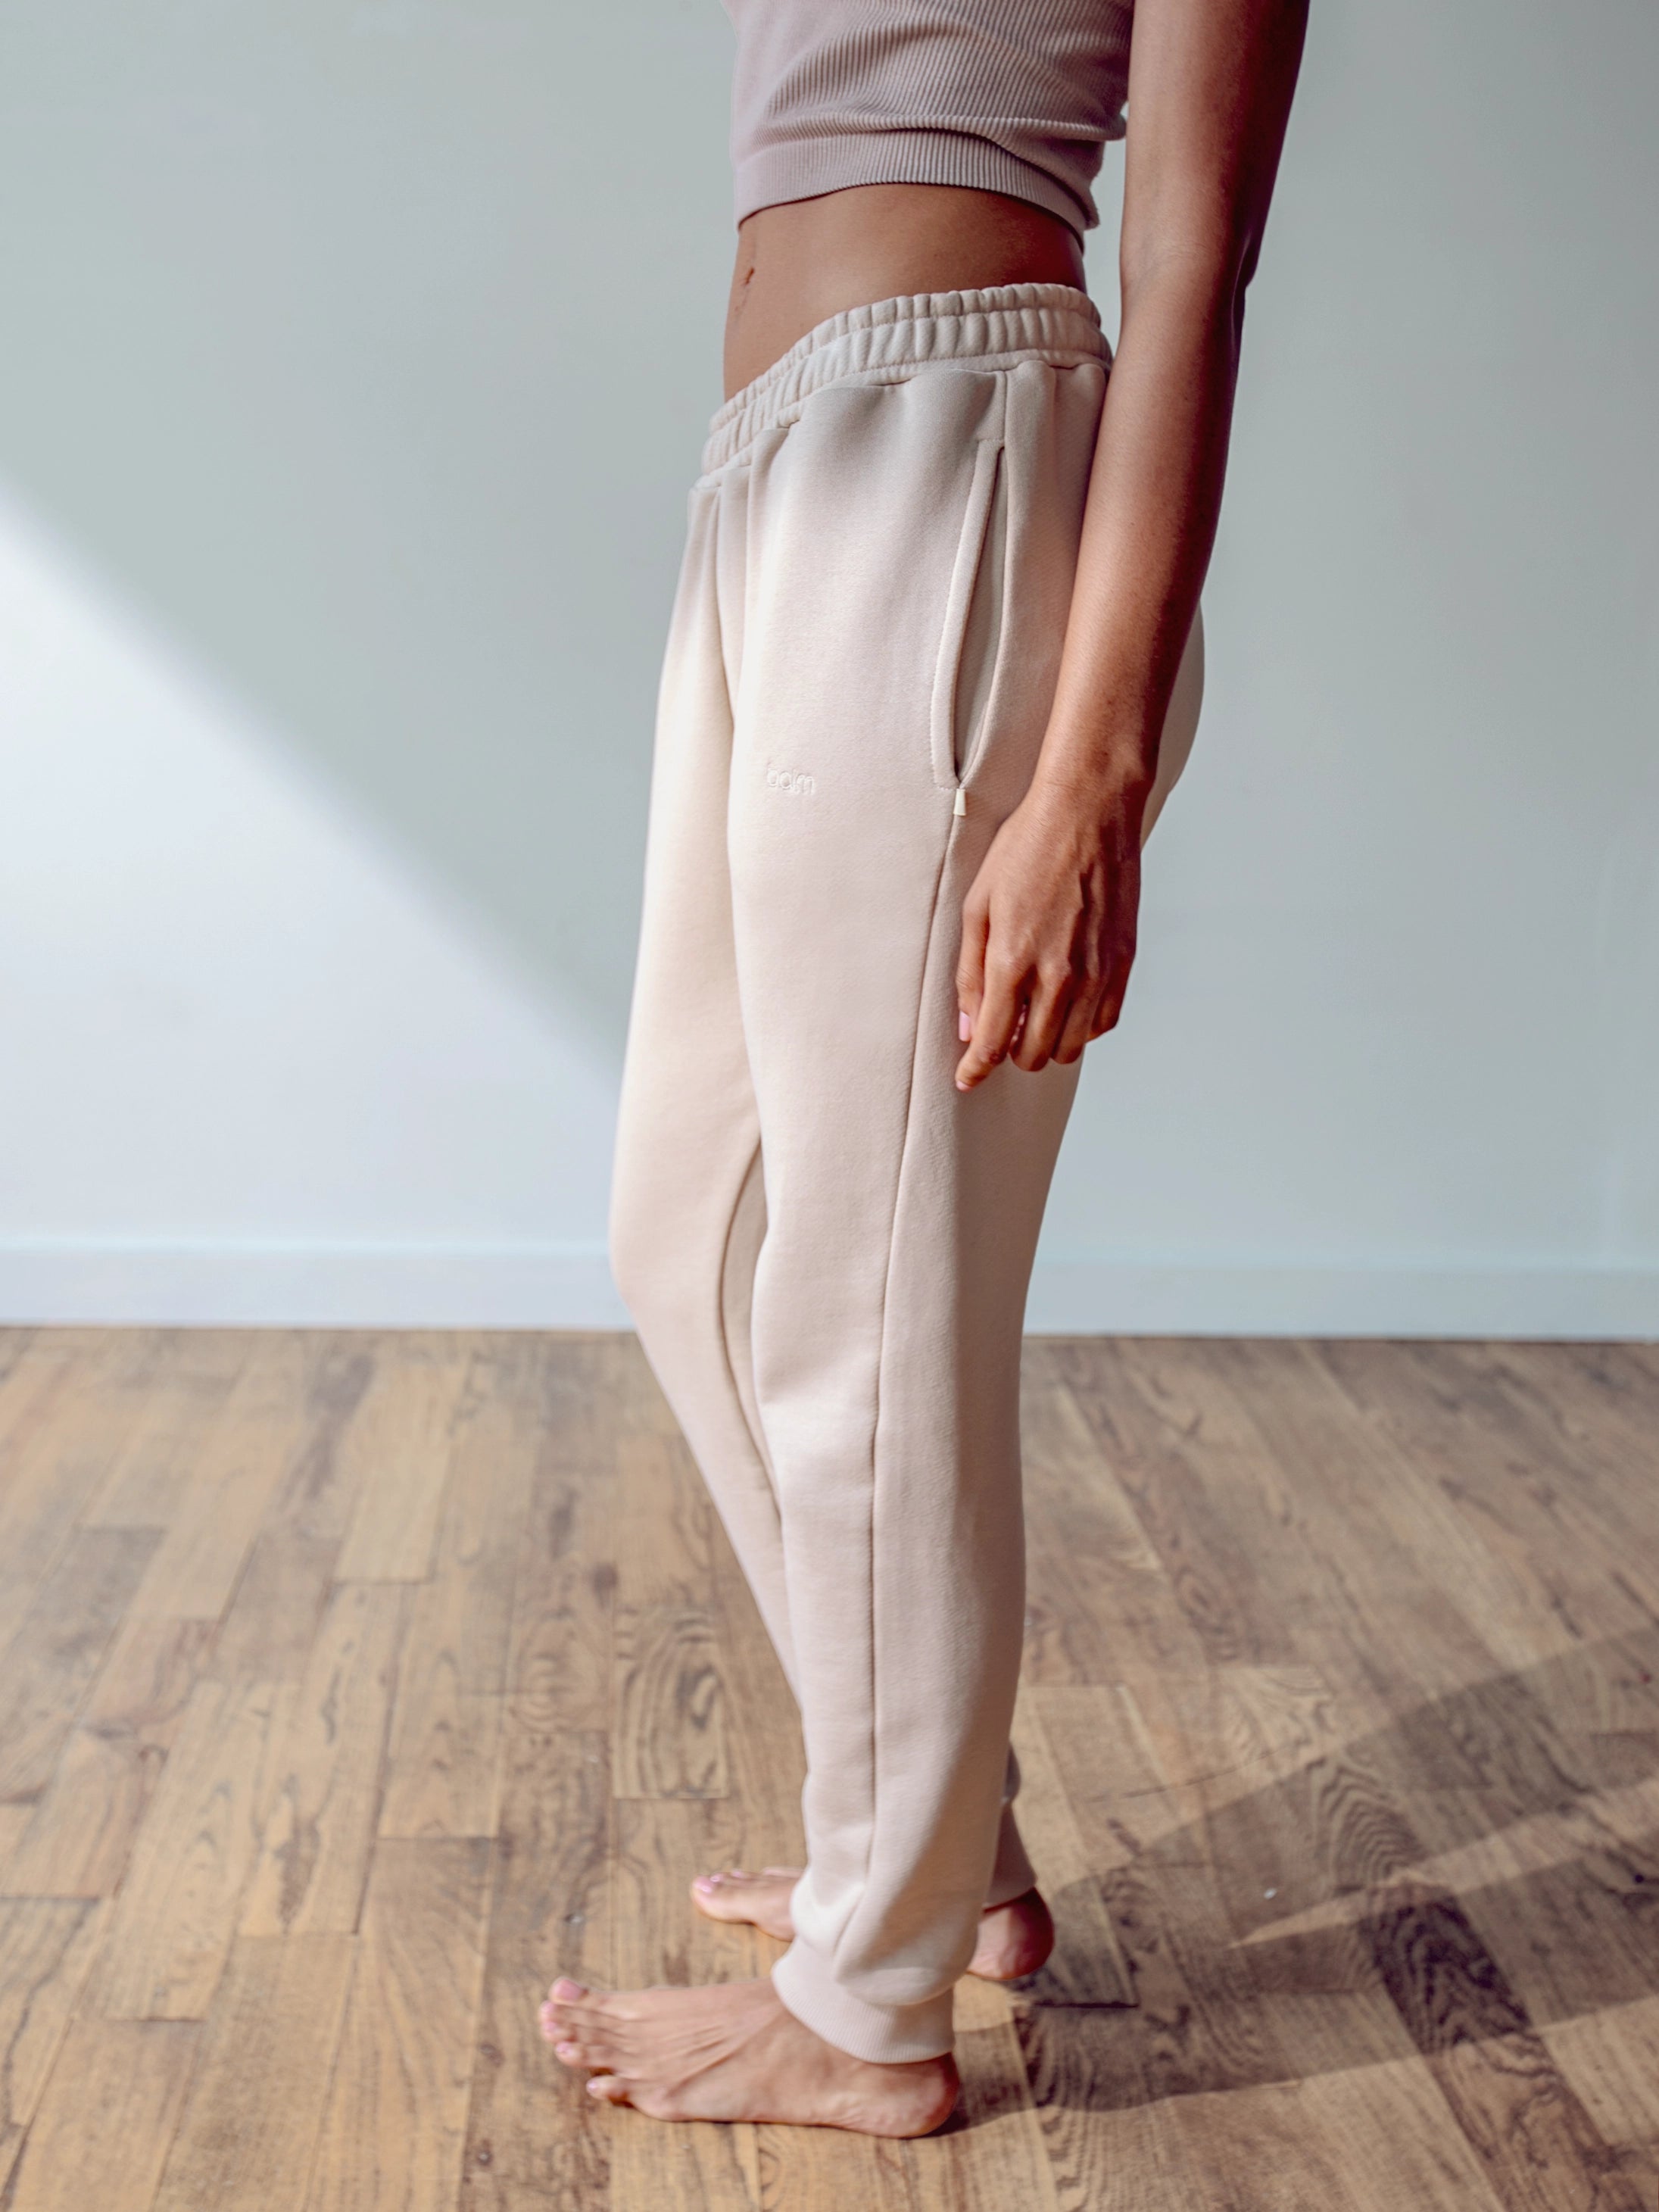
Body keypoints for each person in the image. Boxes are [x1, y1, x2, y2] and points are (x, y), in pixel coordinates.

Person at [544, 0, 1305, 2136]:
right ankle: (939, 1843)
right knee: (684, 1232)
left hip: (952, 451)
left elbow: (1194, 264)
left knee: (872, 1302)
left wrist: (1096, 767)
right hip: (773, 471)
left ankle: (867, 2001)